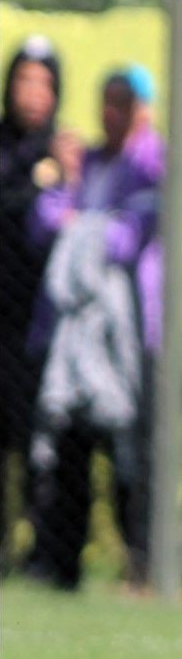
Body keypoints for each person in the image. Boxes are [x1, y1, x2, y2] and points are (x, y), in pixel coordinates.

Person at [22, 65, 163, 591]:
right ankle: (63, 566)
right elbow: (43, 224)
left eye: (124, 102)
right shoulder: (86, 164)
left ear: (144, 109)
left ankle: (143, 567)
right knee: (70, 447)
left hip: (133, 335)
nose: (113, 113)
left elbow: (126, 240)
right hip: (74, 336)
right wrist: (69, 182)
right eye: (107, 100)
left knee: (132, 453)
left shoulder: (153, 164)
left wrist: (80, 226)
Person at [1, 36, 63, 564]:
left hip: (42, 326)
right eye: (24, 80)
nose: (33, 93)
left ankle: (44, 548)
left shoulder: (62, 156)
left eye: (44, 83)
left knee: (39, 439)